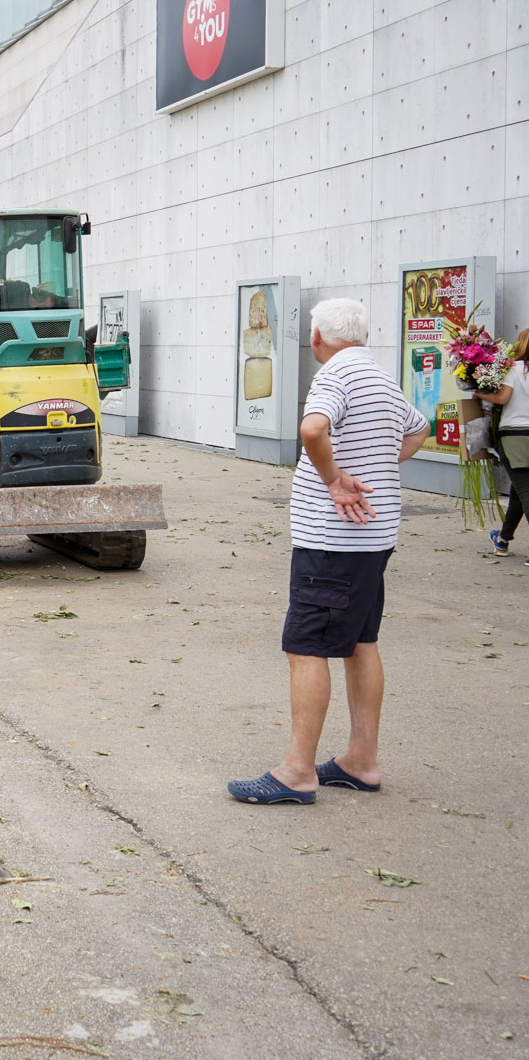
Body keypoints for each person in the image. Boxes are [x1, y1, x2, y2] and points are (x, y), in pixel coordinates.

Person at [229, 298, 426, 805]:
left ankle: (297, 771)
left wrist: (335, 479)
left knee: (307, 646)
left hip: (333, 541)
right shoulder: (380, 377)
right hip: (373, 539)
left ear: (316, 337)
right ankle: (362, 760)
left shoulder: (334, 375)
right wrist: (381, 463)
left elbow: (313, 428)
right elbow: (419, 427)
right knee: (362, 642)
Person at [475, 325, 529, 560]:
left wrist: (480, 394)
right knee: (518, 491)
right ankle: (503, 540)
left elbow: (503, 397)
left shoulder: (515, 368)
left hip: (515, 436)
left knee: (525, 491)